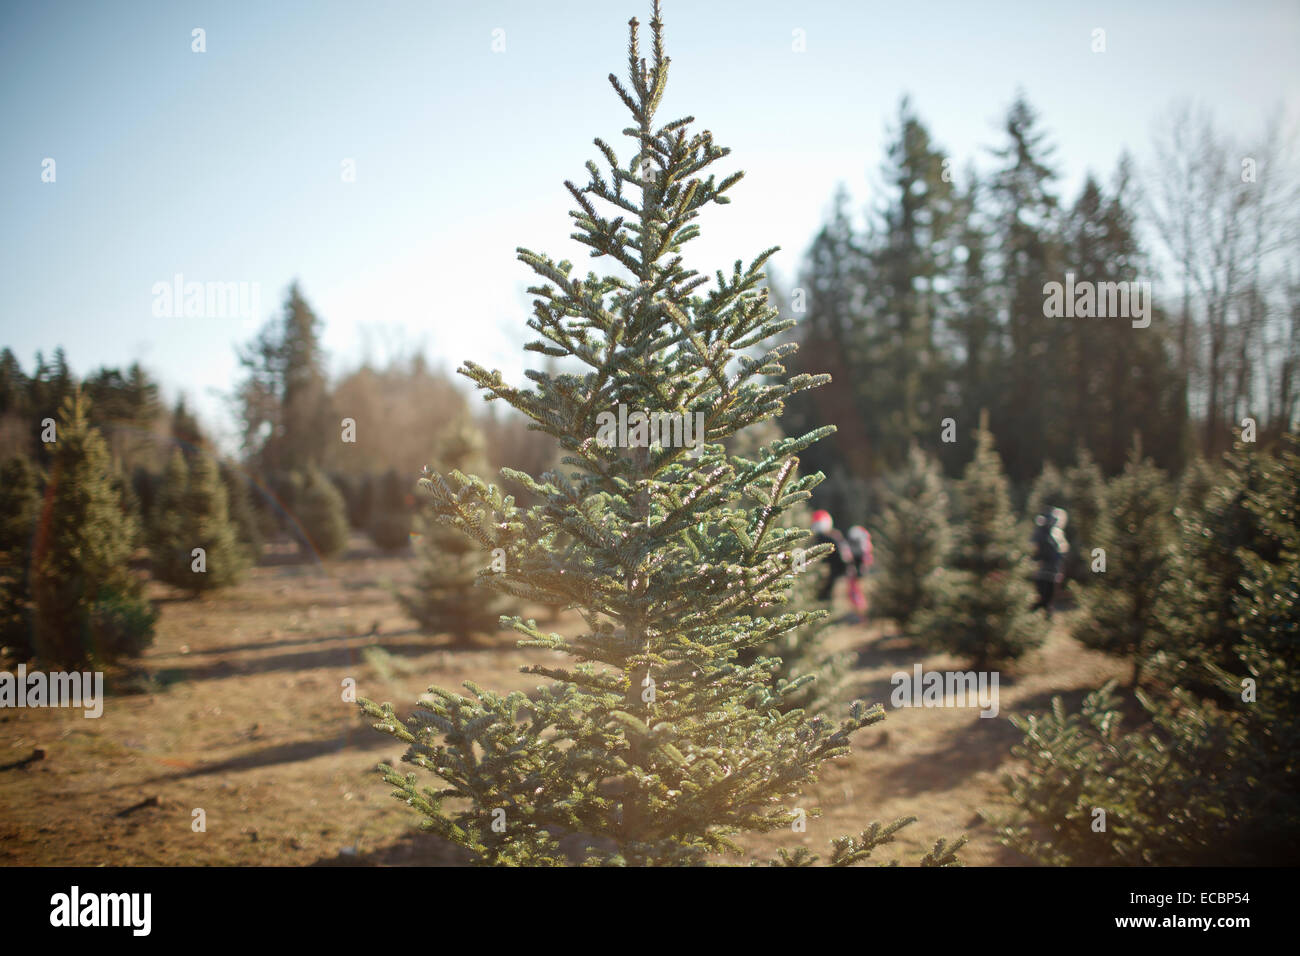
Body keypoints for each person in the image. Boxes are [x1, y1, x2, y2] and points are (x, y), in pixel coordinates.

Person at [1030, 507, 1069, 618]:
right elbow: (1035, 550)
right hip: (1041, 571)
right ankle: (1034, 618)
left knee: (1049, 597)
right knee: (1041, 596)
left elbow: (1062, 550)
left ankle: (1045, 619)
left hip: (1054, 571)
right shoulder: (1041, 533)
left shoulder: (1058, 534)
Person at [811, 509, 849, 603]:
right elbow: (842, 557)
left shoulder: (810, 540)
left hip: (818, 575)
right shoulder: (833, 538)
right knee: (826, 597)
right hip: (831, 573)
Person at [844, 525, 874, 622]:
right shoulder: (864, 546)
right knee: (854, 593)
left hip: (857, 574)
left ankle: (861, 614)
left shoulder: (861, 548)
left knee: (857, 593)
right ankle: (858, 613)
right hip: (856, 574)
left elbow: (858, 561)